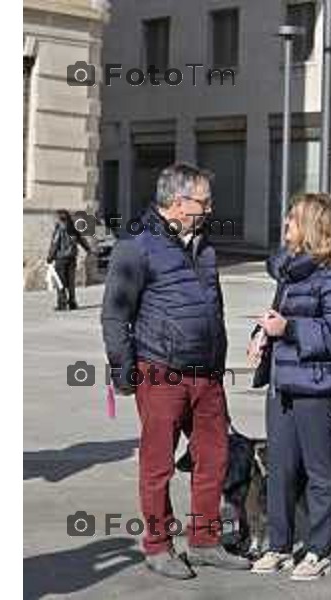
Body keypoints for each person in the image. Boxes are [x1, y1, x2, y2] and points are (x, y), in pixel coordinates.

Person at [101, 163, 250, 579]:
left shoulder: (204, 245)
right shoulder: (138, 245)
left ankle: (204, 542)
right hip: (160, 371)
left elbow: (214, 308)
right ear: (177, 202)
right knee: (158, 464)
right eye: (203, 200)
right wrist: (124, 372)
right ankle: (158, 545)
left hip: (206, 375)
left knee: (214, 459)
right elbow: (115, 315)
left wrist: (218, 365)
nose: (209, 207)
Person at [248, 193, 331, 581]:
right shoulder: (289, 271)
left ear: (312, 228)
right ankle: (278, 546)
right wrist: (261, 333)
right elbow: (279, 317)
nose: (284, 227)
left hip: (317, 385)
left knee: (319, 470)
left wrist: (290, 329)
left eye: (292, 221)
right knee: (280, 467)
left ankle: (319, 550)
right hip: (282, 381)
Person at [46, 210, 91, 310]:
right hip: (72, 258)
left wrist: (50, 257)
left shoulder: (59, 229)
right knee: (71, 281)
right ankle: (72, 302)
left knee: (60, 282)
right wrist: (88, 249)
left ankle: (62, 303)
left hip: (61, 259)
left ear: (60, 218)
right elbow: (82, 240)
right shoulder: (73, 228)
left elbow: (55, 244)